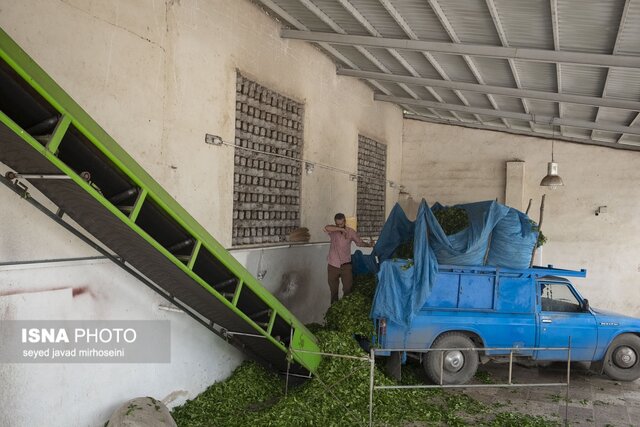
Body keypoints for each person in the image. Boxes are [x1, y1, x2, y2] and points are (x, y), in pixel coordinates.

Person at [324, 213, 373, 304]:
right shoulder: (333, 230)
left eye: (341, 224)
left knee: (348, 289)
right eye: (337, 224)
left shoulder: (351, 231)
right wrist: (340, 229)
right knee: (333, 291)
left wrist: (368, 245)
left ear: (345, 221)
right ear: (335, 222)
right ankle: (334, 311)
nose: (339, 225)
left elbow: (359, 243)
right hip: (333, 265)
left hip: (346, 265)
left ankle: (345, 308)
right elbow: (326, 228)